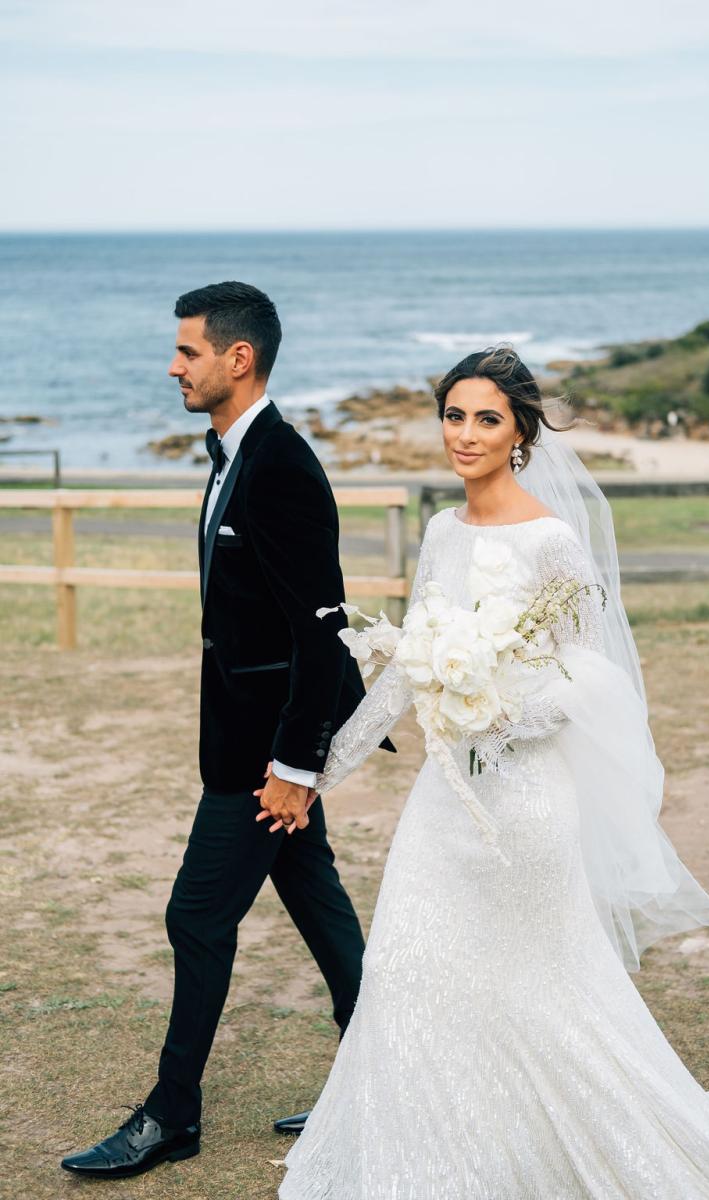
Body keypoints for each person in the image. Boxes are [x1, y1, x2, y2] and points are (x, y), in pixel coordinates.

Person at [278, 347, 709, 1198]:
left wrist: (497, 711)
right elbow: (411, 667)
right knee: (408, 967)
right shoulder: (442, 531)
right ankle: (438, 1158)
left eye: (487, 417)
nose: (467, 434)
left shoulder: (555, 541)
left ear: (521, 430)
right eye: (454, 415)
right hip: (445, 802)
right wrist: (316, 772)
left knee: (537, 984)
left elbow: (591, 678)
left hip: (527, 804)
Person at [61, 281, 393, 1180]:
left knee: (195, 916)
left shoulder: (282, 465)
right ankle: (391, 1079)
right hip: (249, 741)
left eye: (188, 351)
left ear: (237, 359)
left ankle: (172, 1114)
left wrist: (295, 765)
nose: (173, 365)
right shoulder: (232, 454)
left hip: (263, 756)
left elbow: (321, 631)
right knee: (320, 908)